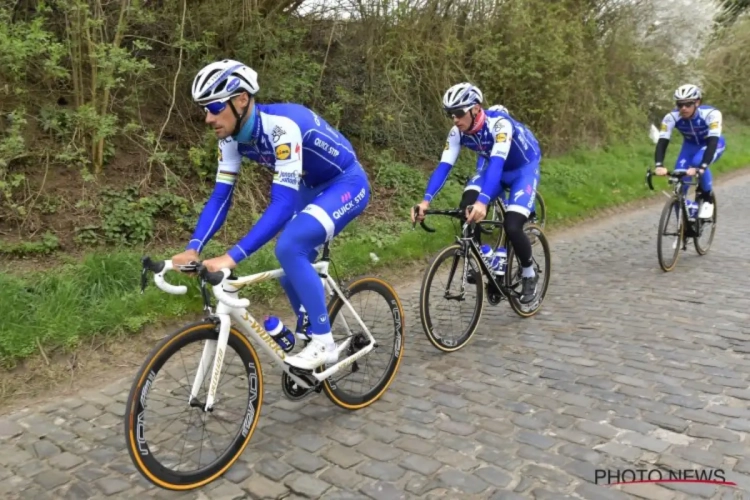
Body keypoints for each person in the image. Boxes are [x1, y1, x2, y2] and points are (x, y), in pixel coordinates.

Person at [170, 59, 371, 371]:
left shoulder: (282, 128)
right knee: (289, 256)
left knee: (290, 246)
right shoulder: (231, 138)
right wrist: (194, 246)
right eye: (204, 109)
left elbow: (280, 205)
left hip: (346, 181)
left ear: (241, 100)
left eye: (214, 107)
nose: (207, 118)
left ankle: (324, 342)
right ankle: (309, 322)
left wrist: (231, 257)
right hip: (310, 184)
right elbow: (222, 197)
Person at [411, 82, 542, 304]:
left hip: (522, 169)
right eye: (450, 114)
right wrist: (425, 202)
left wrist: (484, 202)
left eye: (458, 113)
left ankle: (529, 272)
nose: (454, 119)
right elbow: (444, 166)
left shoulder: (499, 125)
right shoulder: (457, 132)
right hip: (494, 167)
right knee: (466, 206)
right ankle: (485, 255)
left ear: (476, 109)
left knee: (512, 225)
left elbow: (498, 164)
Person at [654, 84, 724, 218]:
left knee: (698, 161)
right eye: (680, 105)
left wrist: (702, 167)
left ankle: (708, 198)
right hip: (690, 146)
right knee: (679, 185)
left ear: (697, 102)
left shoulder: (711, 114)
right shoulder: (671, 117)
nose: (683, 108)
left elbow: (713, 141)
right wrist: (658, 164)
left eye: (688, 104)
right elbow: (662, 142)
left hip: (712, 143)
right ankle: (685, 227)